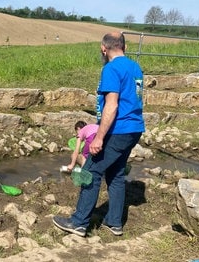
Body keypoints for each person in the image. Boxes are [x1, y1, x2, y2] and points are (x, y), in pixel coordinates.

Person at [53, 32, 145, 237]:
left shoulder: (111, 68)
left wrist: (99, 137)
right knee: (116, 174)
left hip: (117, 130)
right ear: (125, 47)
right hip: (134, 129)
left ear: (103, 49)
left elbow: (112, 106)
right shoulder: (135, 67)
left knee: (90, 172)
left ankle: (78, 222)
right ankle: (114, 222)